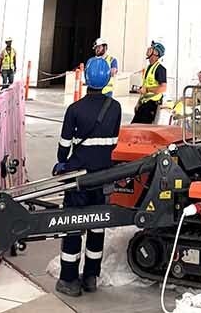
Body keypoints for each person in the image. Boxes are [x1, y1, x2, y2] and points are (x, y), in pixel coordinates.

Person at [53, 57, 120, 297]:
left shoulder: (75, 110)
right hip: (102, 177)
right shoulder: (115, 108)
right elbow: (113, 143)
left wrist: (62, 163)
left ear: (85, 79)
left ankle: (69, 278)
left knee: (73, 226)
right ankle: (91, 276)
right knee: (96, 226)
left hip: (78, 178)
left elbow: (63, 147)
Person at [129, 41, 167, 124]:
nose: (148, 49)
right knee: (134, 127)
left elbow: (163, 88)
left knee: (139, 129)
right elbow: (144, 87)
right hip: (144, 103)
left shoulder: (160, 69)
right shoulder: (149, 68)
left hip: (152, 105)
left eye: (151, 48)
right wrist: (138, 103)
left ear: (156, 53)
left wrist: (147, 90)